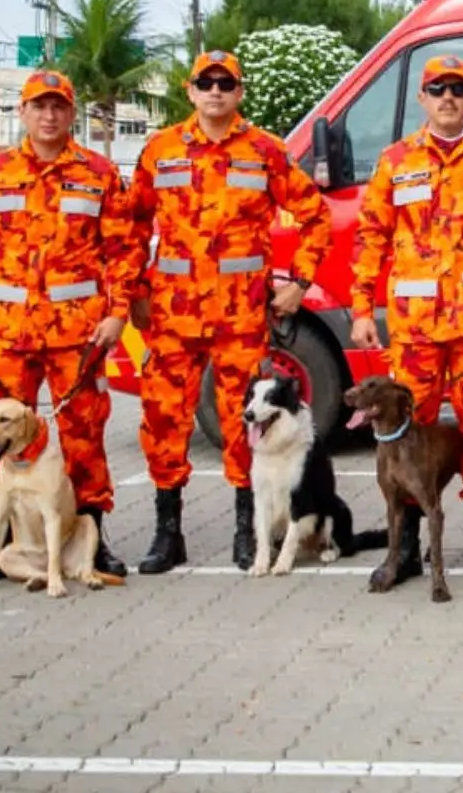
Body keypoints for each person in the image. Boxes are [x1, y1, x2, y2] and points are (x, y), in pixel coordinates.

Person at [128, 50, 333, 574]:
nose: (215, 90)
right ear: (189, 89)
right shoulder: (160, 151)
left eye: (226, 83)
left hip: (241, 318)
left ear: (239, 92)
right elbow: (127, 228)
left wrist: (299, 284)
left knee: (246, 426)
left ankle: (250, 534)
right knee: (163, 422)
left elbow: (315, 215)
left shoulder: (265, 151)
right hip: (173, 317)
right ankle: (167, 534)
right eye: (206, 82)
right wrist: (132, 292)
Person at [349, 55, 463, 588]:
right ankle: (404, 552)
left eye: (458, 88)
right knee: (403, 438)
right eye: (437, 89)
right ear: (422, 99)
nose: (447, 97)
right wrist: (361, 308)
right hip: (415, 334)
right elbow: (371, 237)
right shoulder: (395, 161)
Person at [0, 70, 139, 585]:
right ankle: (2, 542)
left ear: (71, 113)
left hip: (78, 337)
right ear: (23, 111)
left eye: (58, 106)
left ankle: (91, 537)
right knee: (0, 438)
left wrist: (117, 312)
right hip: (8, 338)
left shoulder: (98, 173)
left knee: (83, 436)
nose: (49, 115)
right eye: (39, 106)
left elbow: (123, 251)